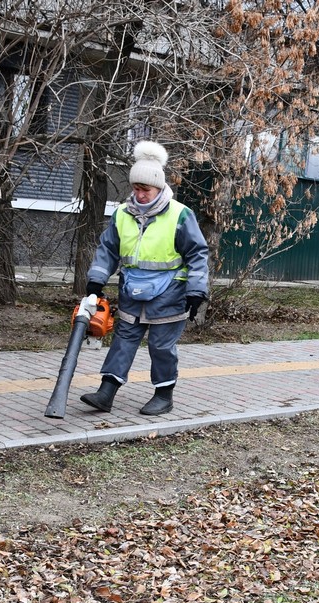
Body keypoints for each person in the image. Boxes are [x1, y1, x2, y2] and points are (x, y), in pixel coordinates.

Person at [79, 141, 210, 416]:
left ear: (159, 188)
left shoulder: (180, 215)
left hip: (171, 293)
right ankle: (106, 391)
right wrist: (96, 280)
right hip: (132, 290)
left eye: (145, 189)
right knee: (123, 341)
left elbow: (197, 254)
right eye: (135, 188)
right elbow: (108, 250)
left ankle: (164, 395)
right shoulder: (122, 215)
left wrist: (196, 292)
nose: (139, 194)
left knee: (160, 346)